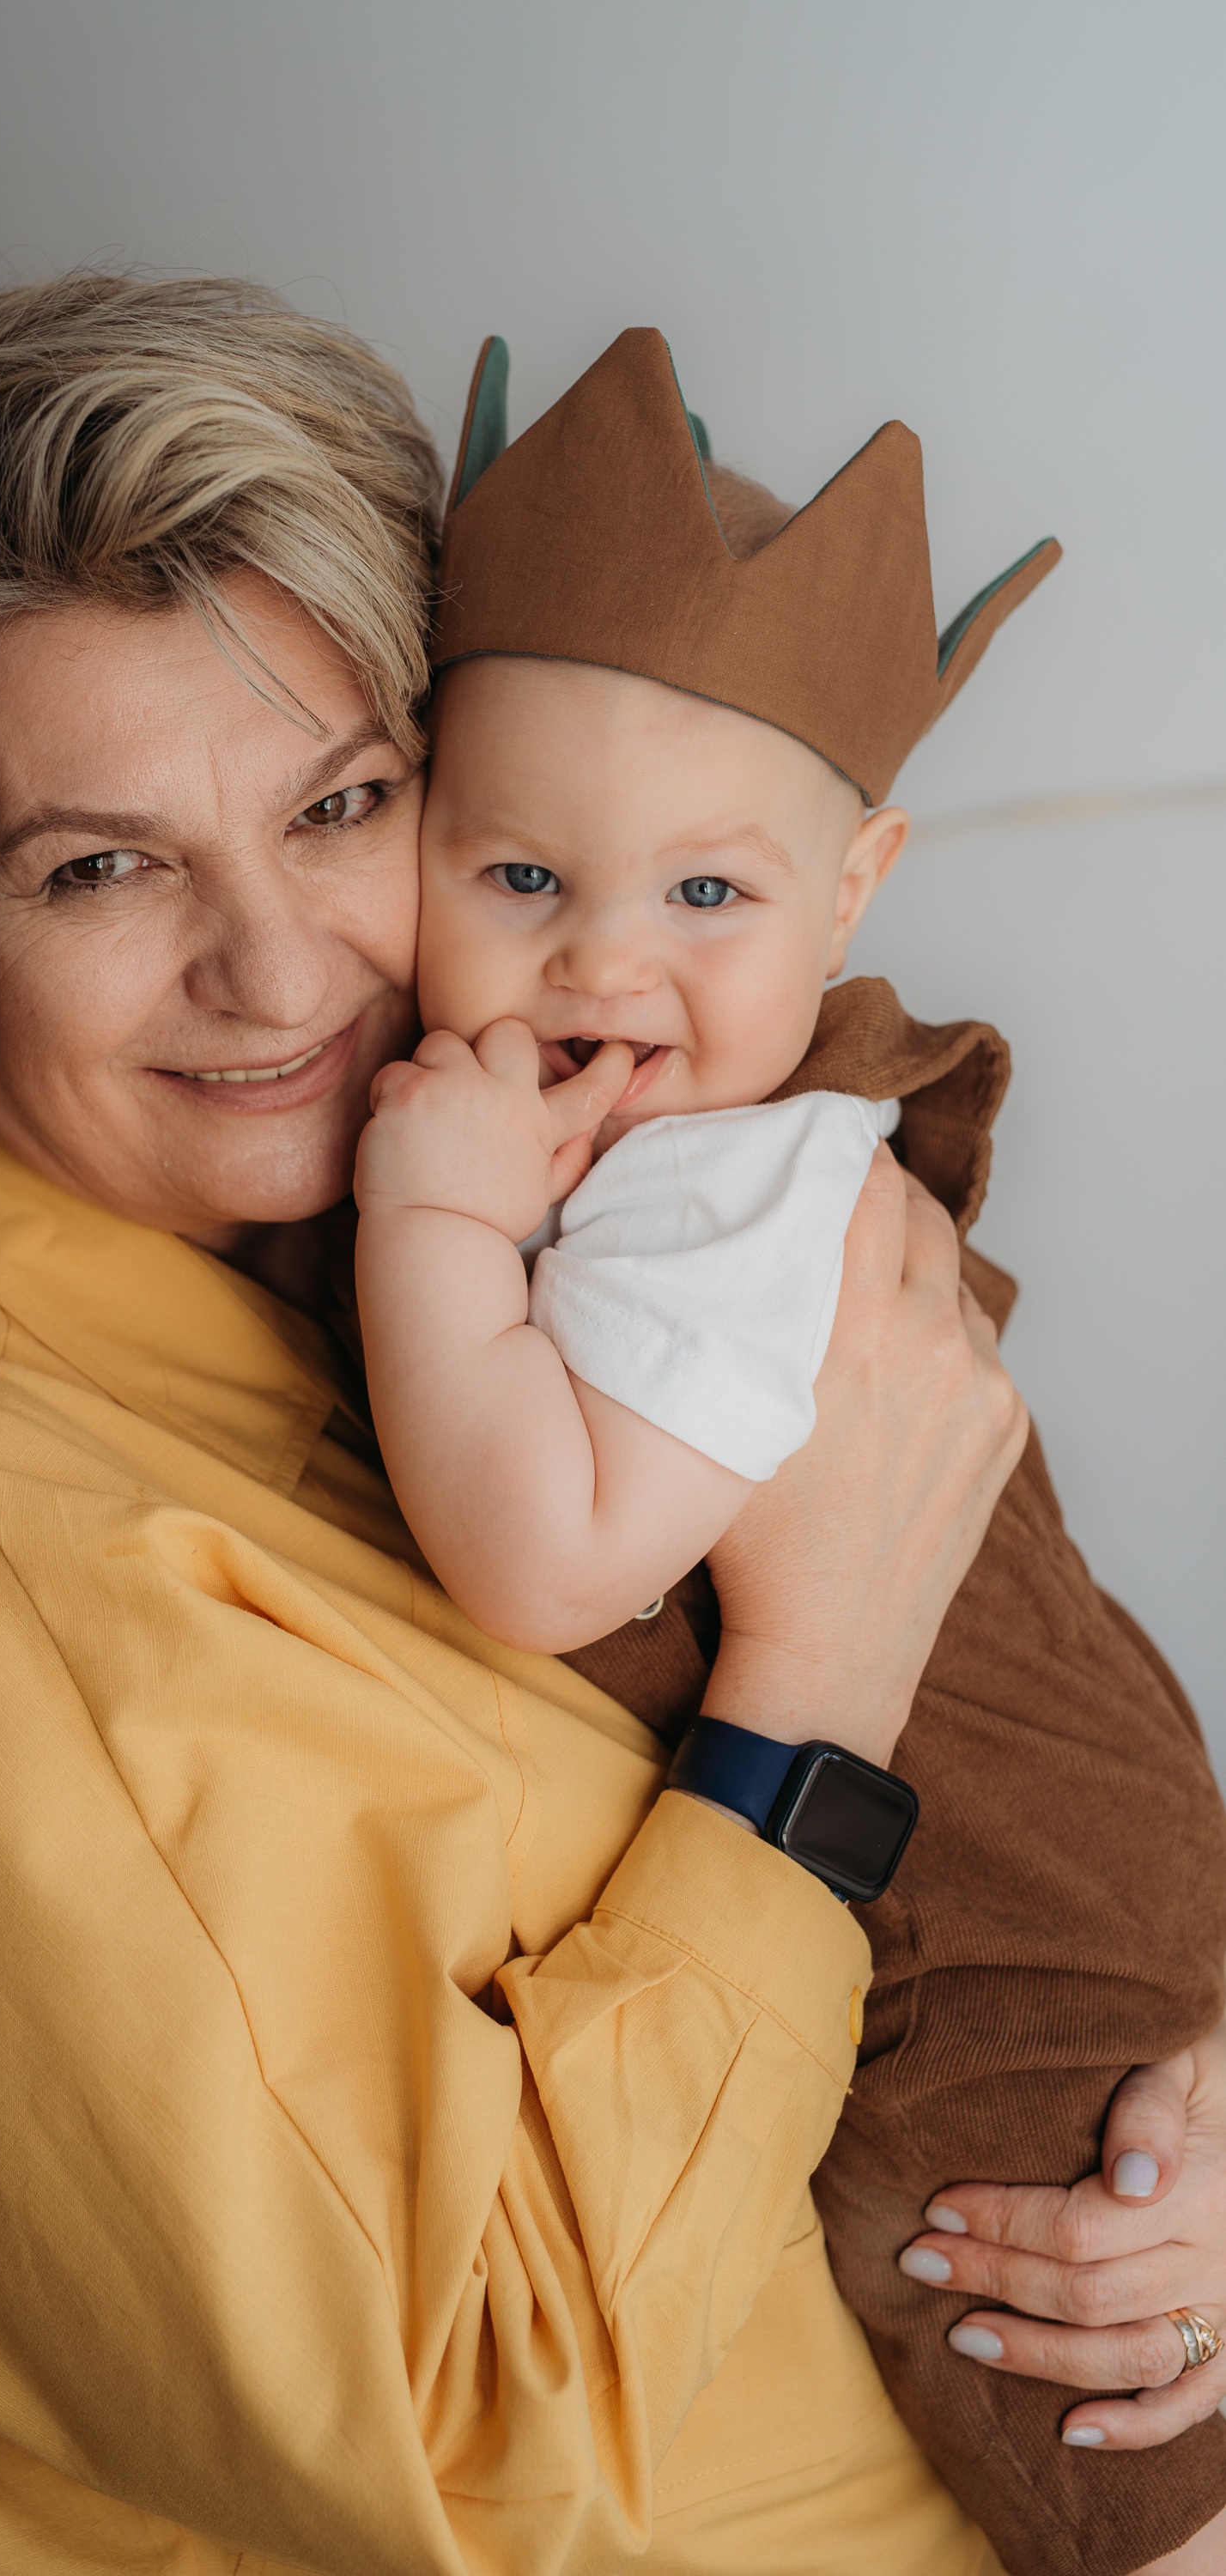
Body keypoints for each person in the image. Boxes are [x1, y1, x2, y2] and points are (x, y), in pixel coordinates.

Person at [0, 274, 1226, 2576]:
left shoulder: (510, 1220)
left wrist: (1162, 2124)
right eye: (98, 863)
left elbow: (1028, 1758)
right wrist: (812, 1699)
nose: (277, 970)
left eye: (343, 803)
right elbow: (470, 2455)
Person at [354, 325, 1226, 2575]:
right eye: (518, 874)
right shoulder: (710, 1124)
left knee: (1104, 2424)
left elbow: (549, 1562)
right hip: (1080, 1858)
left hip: (988, 1954)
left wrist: (431, 1218)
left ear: (853, 896)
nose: (602, 965)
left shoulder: (699, 1193)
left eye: (706, 899)